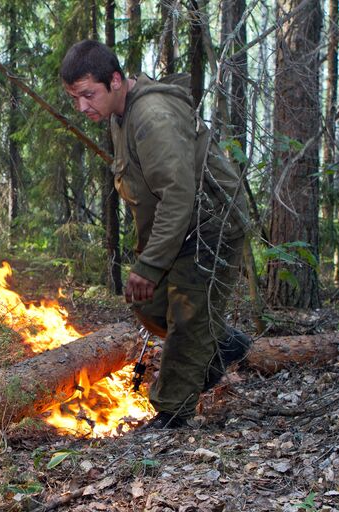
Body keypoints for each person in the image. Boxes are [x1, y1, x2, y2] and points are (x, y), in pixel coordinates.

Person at [60, 40, 253, 429]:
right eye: (74, 98)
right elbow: (146, 194)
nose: (82, 107)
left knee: (186, 317)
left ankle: (171, 416)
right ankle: (222, 342)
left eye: (87, 94)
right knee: (146, 303)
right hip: (179, 230)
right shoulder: (119, 116)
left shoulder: (152, 116)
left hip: (209, 227)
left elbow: (177, 195)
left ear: (115, 80)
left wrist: (150, 265)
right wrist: (147, 263)